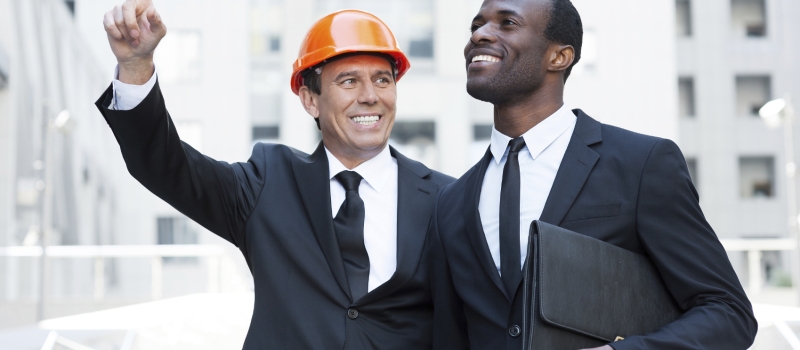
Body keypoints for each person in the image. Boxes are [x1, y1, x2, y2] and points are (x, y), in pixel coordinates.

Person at [95, 1, 453, 348]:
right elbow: (165, 167)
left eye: (382, 80)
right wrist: (137, 66)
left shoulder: (445, 199)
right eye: (348, 81)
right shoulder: (269, 182)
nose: (370, 96)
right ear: (310, 99)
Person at [429, 0, 757, 349]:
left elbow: (728, 312)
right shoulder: (451, 200)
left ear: (560, 57)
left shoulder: (641, 164)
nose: (480, 34)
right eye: (475, 26)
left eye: (507, 23)